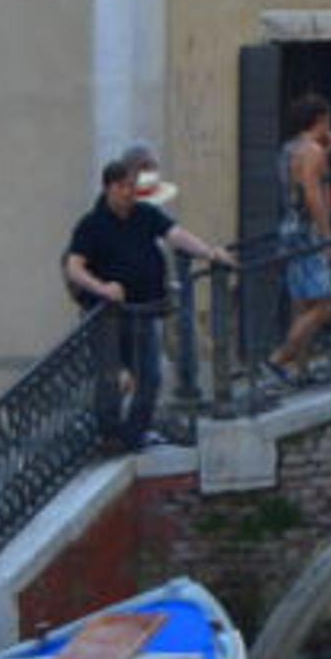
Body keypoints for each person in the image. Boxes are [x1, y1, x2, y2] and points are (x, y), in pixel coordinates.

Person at [61, 148, 236, 452]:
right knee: (110, 379)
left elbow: (176, 235)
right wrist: (102, 287)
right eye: (125, 187)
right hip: (106, 315)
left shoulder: (145, 214)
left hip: (143, 312)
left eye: (134, 187)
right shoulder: (91, 224)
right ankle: (109, 436)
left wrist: (210, 253)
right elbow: (73, 267)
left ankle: (132, 435)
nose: (131, 193)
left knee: (150, 378)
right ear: (110, 188)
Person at [268, 91, 331, 379]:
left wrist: (328, 153)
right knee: (324, 306)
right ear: (321, 119)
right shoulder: (312, 152)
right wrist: (328, 237)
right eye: (328, 120)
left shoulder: (289, 150)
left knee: (303, 304)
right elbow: (312, 193)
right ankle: (279, 358)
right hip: (308, 231)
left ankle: (302, 370)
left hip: (288, 229)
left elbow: (300, 182)